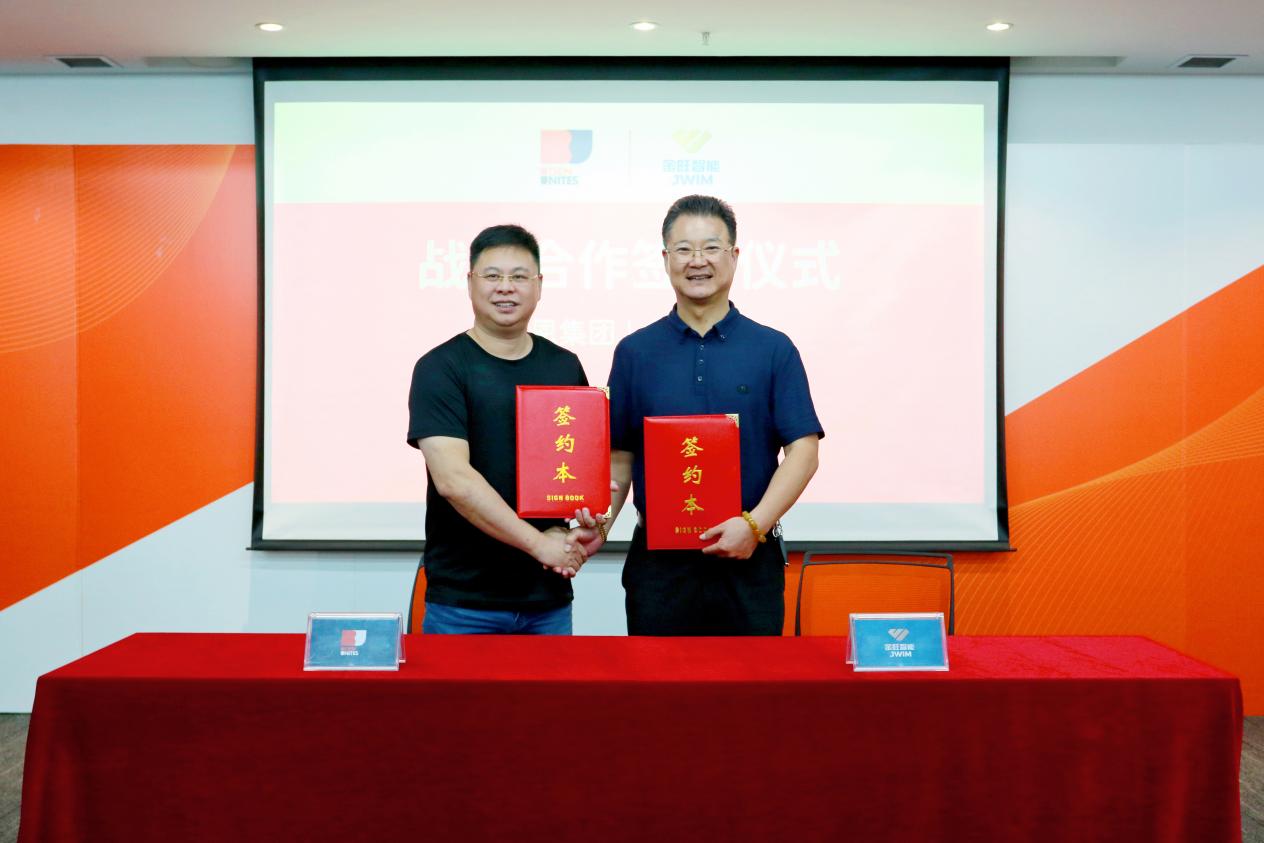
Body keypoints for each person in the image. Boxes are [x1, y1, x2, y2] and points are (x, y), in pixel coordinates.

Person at [578, 195, 823, 635]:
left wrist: (754, 525)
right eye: (684, 249)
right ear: (665, 259)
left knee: (752, 680)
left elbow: (803, 453)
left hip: (750, 560)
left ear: (734, 256)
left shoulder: (773, 349)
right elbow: (620, 456)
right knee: (656, 680)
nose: (697, 261)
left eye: (711, 247)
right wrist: (601, 526)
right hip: (660, 569)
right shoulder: (635, 352)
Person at [407, 224, 591, 634]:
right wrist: (539, 544)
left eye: (519, 276)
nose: (506, 287)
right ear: (470, 282)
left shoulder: (564, 366)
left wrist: (588, 526)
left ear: (539, 286)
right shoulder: (440, 368)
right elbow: (454, 481)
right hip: (464, 603)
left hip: (548, 598)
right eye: (492, 275)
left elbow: (580, 472)